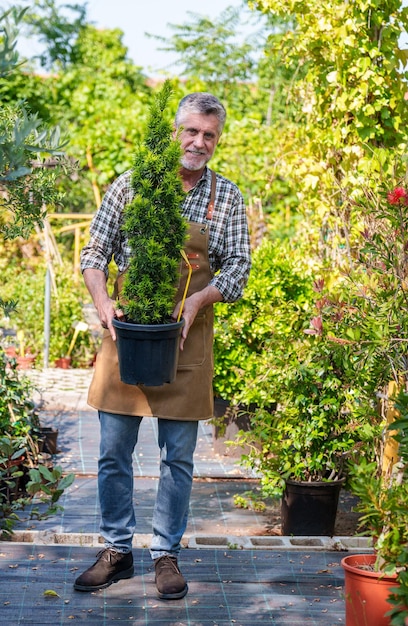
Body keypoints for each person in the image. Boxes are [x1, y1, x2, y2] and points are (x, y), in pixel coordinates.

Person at [75, 92, 251, 599]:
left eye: (209, 135)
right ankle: (115, 550)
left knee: (178, 457)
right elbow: (94, 252)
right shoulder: (132, 186)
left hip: (187, 339)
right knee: (112, 450)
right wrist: (104, 301)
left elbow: (237, 266)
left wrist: (197, 301)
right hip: (126, 331)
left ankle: (165, 553)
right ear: (176, 132)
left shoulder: (226, 198)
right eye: (191, 131)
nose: (199, 142)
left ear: (217, 141)